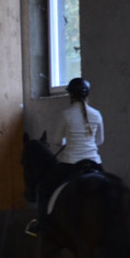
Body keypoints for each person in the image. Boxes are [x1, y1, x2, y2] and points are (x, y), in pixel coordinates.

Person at [26, 77, 104, 236]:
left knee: (44, 187)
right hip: (95, 163)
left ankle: (41, 224)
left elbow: (56, 140)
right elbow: (100, 140)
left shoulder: (66, 114)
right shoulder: (97, 114)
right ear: (87, 94)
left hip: (71, 164)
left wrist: (67, 140)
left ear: (70, 95)